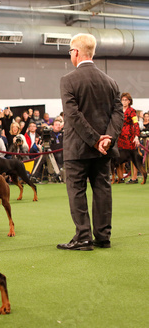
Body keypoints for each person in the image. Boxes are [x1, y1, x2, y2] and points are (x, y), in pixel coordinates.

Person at [57, 33, 123, 251]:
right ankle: (103, 237)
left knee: (76, 191)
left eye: (70, 52)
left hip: (78, 149)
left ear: (75, 52)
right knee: (102, 189)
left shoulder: (68, 80)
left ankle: (83, 237)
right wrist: (107, 139)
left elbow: (73, 116)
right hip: (104, 150)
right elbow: (117, 114)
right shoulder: (111, 82)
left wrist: (95, 140)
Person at [118, 92, 141, 184]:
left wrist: (136, 136)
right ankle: (120, 177)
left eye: (126, 100)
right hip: (120, 136)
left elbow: (136, 124)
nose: (124, 102)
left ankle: (134, 178)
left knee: (133, 157)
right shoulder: (118, 110)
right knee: (120, 157)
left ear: (129, 101)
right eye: (122, 100)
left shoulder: (132, 111)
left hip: (129, 136)